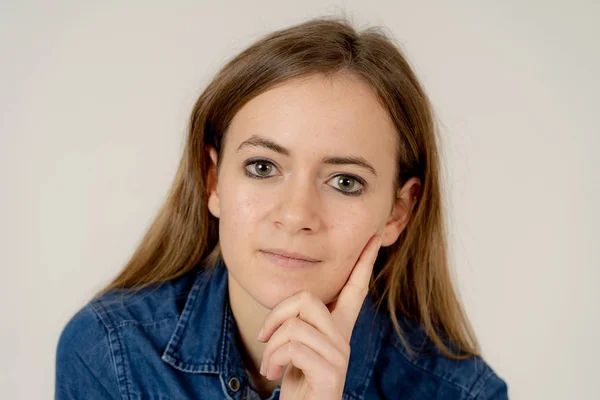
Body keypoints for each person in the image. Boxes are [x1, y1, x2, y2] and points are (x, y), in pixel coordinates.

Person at [55, 16, 508, 399]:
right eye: (262, 167)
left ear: (397, 211)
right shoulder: (109, 353)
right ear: (213, 181)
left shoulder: (464, 392)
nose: (295, 216)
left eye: (345, 181)